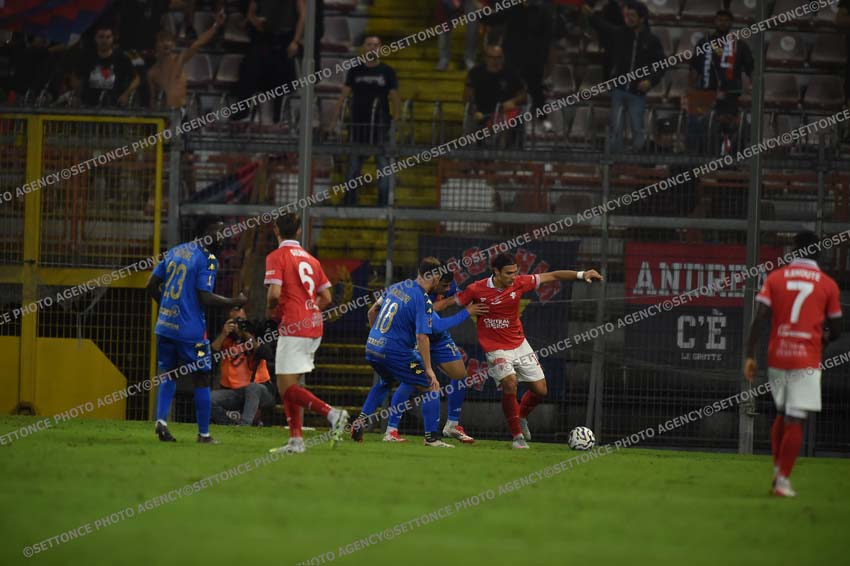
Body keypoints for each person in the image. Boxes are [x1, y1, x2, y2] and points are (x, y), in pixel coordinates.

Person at [454, 253, 602, 449]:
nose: (513, 277)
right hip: (495, 348)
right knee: (510, 383)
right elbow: (454, 301)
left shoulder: (519, 283)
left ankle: (521, 416)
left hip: (519, 344)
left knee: (540, 390)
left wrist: (582, 274)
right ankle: (517, 437)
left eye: (515, 272)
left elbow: (553, 276)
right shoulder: (476, 289)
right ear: (496, 271)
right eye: (508, 273)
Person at [744, 231, 842, 497]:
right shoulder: (827, 284)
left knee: (782, 412)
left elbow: (760, 317)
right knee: (796, 417)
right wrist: (823, 340)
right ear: (818, 252)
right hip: (805, 357)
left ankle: (778, 470)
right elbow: (837, 328)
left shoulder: (776, 277)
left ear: (794, 250)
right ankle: (783, 480)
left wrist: (750, 355)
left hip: (778, 354)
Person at [145, 220, 247, 443]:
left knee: (169, 372)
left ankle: (161, 420)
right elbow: (205, 297)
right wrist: (234, 301)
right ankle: (204, 434)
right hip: (192, 333)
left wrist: (167, 307)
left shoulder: (174, 251)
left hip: (165, 327)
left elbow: (150, 285)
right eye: (218, 233)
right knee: (202, 376)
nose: (222, 238)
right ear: (205, 234)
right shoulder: (208, 259)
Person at [265, 213, 349, 454]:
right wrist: (310, 310)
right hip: (313, 325)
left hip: (294, 325)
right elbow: (327, 297)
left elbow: (274, 294)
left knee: (285, 387)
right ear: (299, 231)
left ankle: (332, 414)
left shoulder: (277, 256)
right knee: (292, 385)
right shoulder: (311, 260)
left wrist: (272, 308)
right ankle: (296, 441)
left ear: (276, 230)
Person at [367, 274, 487, 443]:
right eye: (444, 286)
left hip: (439, 340)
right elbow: (435, 320)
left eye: (449, 286)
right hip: (419, 338)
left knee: (460, 375)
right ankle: (392, 430)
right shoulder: (417, 290)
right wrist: (462, 309)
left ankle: (452, 424)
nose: (447, 289)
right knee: (411, 381)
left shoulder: (447, 285)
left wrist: (463, 300)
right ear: (434, 281)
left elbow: (458, 299)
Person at [351, 258, 456, 447]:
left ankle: (361, 421)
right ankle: (432, 438)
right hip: (396, 352)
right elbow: (422, 337)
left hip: (372, 347)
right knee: (431, 386)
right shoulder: (422, 299)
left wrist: (379, 336)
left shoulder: (397, 286)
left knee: (385, 381)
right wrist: (429, 369)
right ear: (433, 276)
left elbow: (372, 311)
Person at [585, 1, 665, 152]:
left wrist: (650, 81)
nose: (628, 19)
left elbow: (661, 65)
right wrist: (590, 14)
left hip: (637, 92)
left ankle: (638, 161)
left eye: (632, 15)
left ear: (642, 18)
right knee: (616, 128)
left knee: (637, 129)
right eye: (627, 15)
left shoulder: (652, 40)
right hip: (619, 89)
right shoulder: (620, 33)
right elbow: (603, 27)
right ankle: (616, 161)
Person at [333, 35, 401, 206]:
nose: (372, 48)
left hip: (380, 125)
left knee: (383, 165)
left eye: (376, 45)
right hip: (358, 125)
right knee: (353, 165)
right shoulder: (355, 70)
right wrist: (335, 118)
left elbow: (395, 98)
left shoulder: (387, 71)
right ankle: (350, 200)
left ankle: (383, 202)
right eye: (369, 44)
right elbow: (344, 95)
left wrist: (396, 120)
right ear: (364, 47)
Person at [685, 10, 753, 154]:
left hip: (730, 95)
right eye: (720, 20)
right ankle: (704, 159)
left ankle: (732, 160)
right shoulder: (704, 42)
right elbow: (694, 68)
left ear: (731, 23)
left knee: (731, 128)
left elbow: (751, 68)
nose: (723, 23)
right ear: (715, 21)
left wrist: (752, 86)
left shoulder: (739, 45)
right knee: (705, 127)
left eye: (726, 20)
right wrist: (690, 89)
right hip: (706, 93)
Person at [231, 0, 305, 122]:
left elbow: (303, 16)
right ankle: (243, 108)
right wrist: (255, 21)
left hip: (285, 38)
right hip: (265, 36)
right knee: (250, 65)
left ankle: (278, 112)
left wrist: (295, 41)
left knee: (282, 67)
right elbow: (251, 14)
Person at [210, 307, 276, 426]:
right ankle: (230, 424)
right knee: (207, 398)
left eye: (241, 320)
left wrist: (246, 334)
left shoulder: (257, 334)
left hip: (261, 391)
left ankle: (244, 426)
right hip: (235, 392)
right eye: (234, 321)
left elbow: (266, 354)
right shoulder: (225, 339)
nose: (238, 324)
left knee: (252, 387)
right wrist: (224, 333)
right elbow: (211, 355)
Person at [148, 9, 225, 110]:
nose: (166, 43)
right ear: (156, 46)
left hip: (180, 111)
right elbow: (152, 98)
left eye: (168, 40)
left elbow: (198, 43)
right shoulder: (152, 73)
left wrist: (216, 25)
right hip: (164, 112)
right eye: (162, 41)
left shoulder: (179, 59)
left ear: (173, 44)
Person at [500, 0, 555, 114]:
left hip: (534, 62)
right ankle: (511, 122)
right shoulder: (512, 7)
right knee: (511, 93)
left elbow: (548, 41)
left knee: (537, 97)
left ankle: (538, 120)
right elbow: (496, 18)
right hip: (513, 61)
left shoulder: (544, 11)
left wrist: (547, 65)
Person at [73, 23, 140, 107]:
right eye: (101, 37)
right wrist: (77, 95)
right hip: (89, 105)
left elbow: (136, 79)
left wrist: (126, 94)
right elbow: (76, 76)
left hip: (114, 105)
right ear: (95, 38)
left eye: (108, 37)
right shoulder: (87, 57)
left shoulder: (121, 58)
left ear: (112, 38)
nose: (104, 40)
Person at [464, 44, 527, 129]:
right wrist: (473, 110)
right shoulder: (475, 73)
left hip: (504, 114)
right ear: (485, 58)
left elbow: (523, 96)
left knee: (511, 119)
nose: (495, 60)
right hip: (482, 114)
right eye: (491, 57)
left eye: (498, 57)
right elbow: (467, 96)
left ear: (503, 58)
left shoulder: (511, 73)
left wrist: (513, 101)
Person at [435, 0, 480, 71]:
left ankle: (469, 58)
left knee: (472, 20)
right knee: (443, 25)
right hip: (448, 5)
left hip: (468, 3)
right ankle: (444, 58)